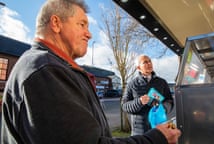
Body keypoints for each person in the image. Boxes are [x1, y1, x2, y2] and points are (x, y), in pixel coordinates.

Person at [1, 0, 181, 144]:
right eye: (82, 24)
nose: (89, 34)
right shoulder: (45, 70)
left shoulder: (54, 67)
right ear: (56, 23)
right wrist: (156, 138)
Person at [122, 54, 174, 136]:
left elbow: (170, 101)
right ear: (138, 68)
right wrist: (139, 102)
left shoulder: (162, 82)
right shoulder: (131, 84)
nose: (149, 63)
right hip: (139, 133)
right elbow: (124, 106)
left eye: (150, 61)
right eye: (145, 62)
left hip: (158, 129)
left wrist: (163, 108)